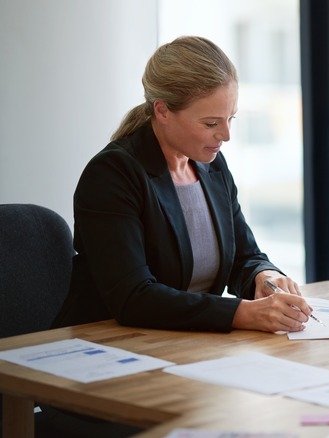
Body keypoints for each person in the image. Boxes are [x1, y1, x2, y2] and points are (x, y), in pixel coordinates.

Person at [52, 36, 313, 334]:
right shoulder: (112, 174)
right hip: (105, 347)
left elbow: (244, 257)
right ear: (162, 111)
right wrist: (242, 314)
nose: (226, 135)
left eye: (231, 119)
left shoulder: (211, 165)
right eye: (211, 124)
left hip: (184, 345)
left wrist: (264, 276)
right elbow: (134, 298)